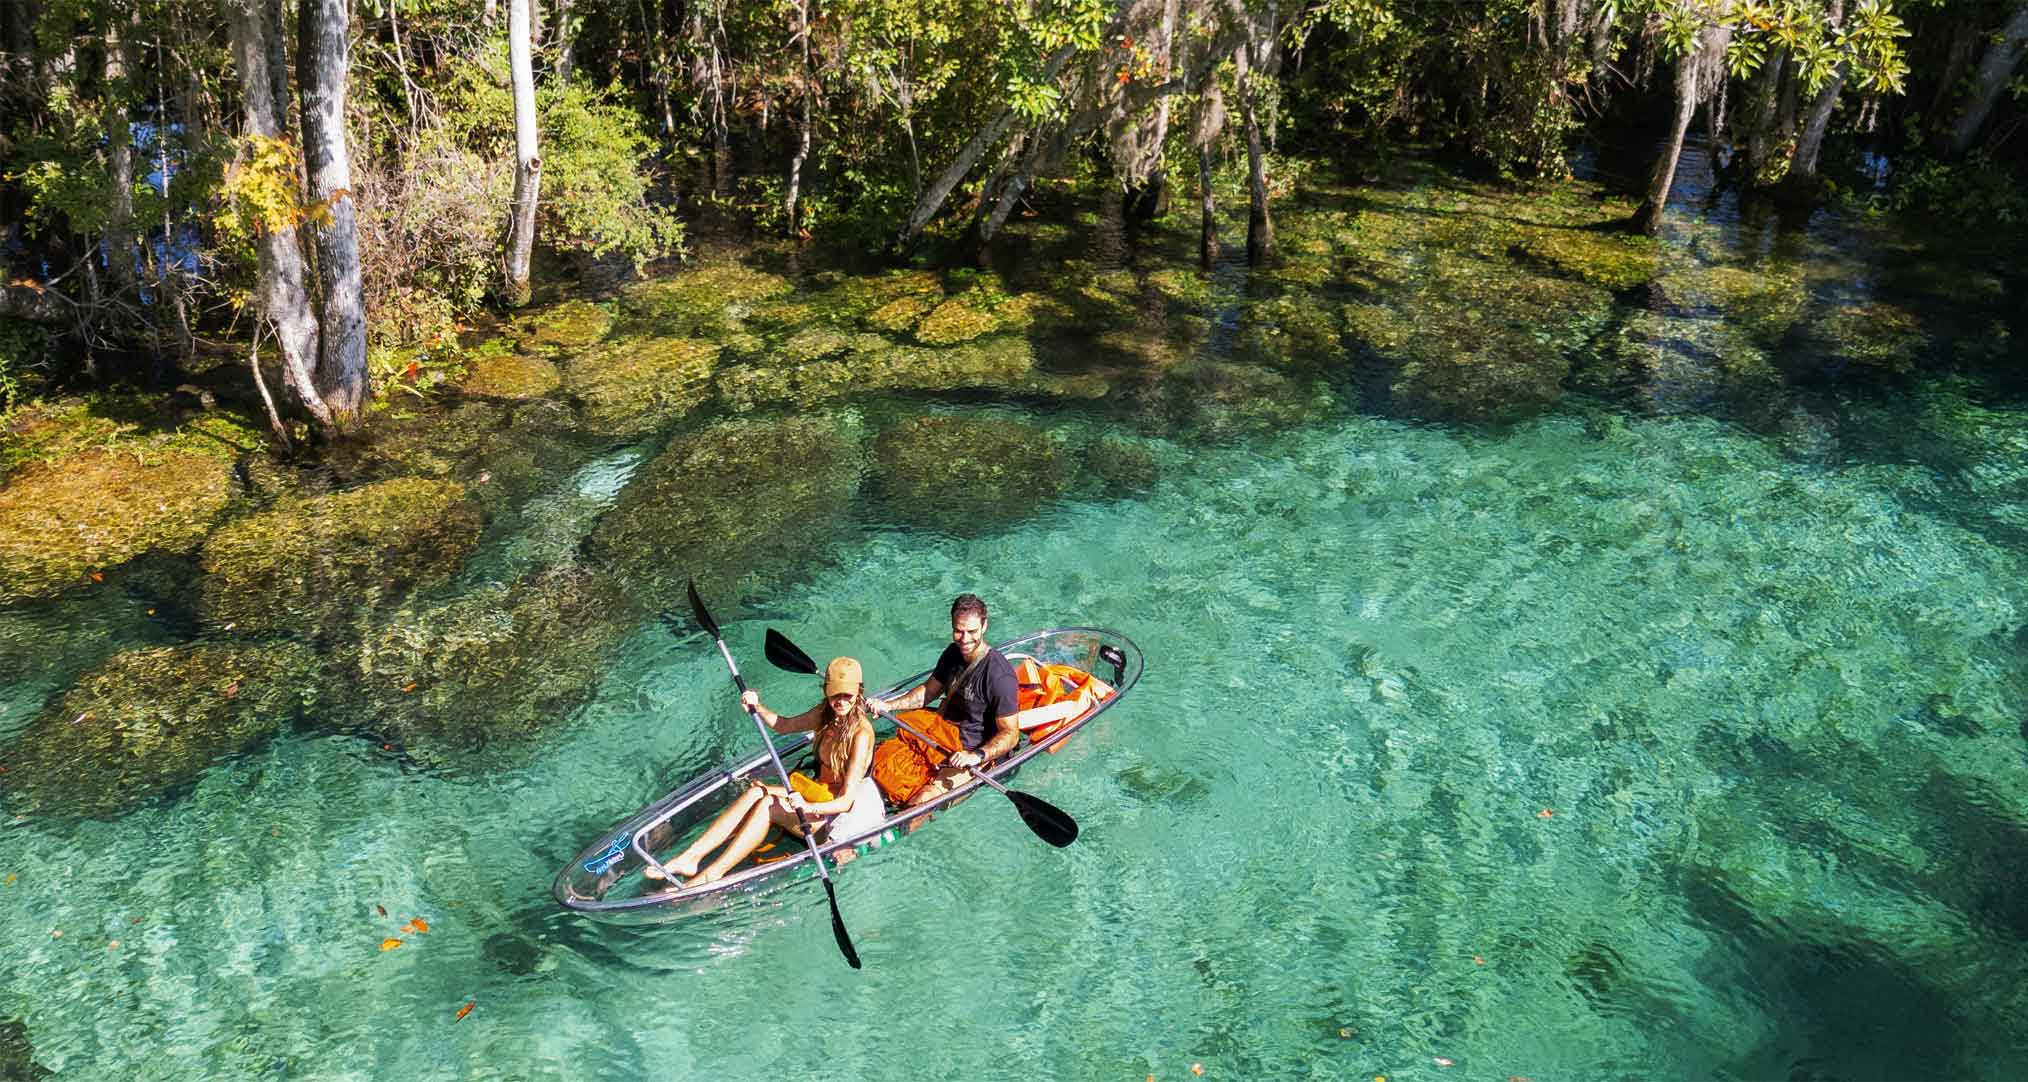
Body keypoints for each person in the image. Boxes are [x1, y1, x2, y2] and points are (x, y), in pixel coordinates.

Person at [652, 656, 879, 888]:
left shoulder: (861, 734)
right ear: (826, 691)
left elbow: (846, 802)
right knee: (755, 792)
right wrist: (756, 706)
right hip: (817, 793)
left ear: (859, 692)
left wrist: (807, 807)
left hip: (836, 819)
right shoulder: (825, 714)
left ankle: (713, 874)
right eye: (835, 694)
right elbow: (784, 725)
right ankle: (692, 856)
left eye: (847, 695)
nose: (840, 701)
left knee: (768, 805)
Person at [870, 593, 1020, 807]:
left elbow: (1011, 734)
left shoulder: (999, 676)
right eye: (958, 631)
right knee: (875, 760)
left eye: (972, 631)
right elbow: (927, 692)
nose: (965, 639)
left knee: (923, 799)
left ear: (984, 626)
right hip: (935, 734)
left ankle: (899, 827)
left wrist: (976, 756)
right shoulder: (953, 653)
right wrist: (888, 705)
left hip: (967, 750)